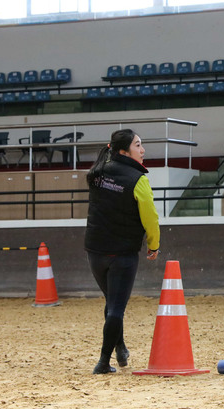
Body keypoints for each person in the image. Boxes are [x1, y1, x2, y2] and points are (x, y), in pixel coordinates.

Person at [85, 129, 160, 374]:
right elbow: (150, 217)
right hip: (122, 253)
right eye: (138, 145)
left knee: (112, 303)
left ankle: (121, 349)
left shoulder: (97, 173)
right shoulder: (138, 179)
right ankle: (103, 362)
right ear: (123, 151)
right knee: (116, 307)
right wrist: (154, 244)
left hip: (95, 251)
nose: (143, 149)